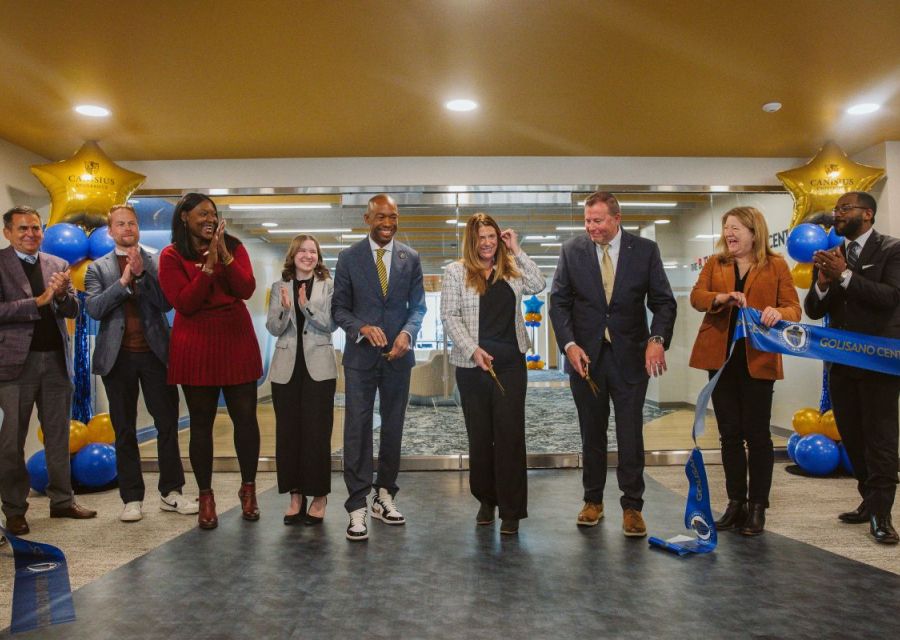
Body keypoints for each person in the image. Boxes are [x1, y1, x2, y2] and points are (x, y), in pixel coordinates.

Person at [549, 191, 676, 537]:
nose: (591, 227)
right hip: (586, 360)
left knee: (630, 433)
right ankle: (593, 501)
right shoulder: (572, 251)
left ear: (617, 218)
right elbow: (558, 302)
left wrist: (656, 339)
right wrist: (569, 345)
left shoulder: (645, 251)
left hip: (630, 358)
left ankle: (633, 506)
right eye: (587, 220)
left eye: (598, 220)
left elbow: (664, 302)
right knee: (592, 433)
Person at [689, 206, 800, 536]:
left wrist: (776, 312)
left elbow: (795, 308)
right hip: (721, 362)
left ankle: (757, 508)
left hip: (758, 360)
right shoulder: (715, 263)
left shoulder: (776, 265)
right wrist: (721, 297)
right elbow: (697, 297)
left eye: (735, 227)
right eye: (726, 227)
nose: (729, 233)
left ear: (754, 231)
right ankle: (735, 503)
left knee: (758, 435)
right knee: (729, 435)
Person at [85, 204, 197, 523]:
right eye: (120, 224)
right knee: (124, 429)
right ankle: (131, 498)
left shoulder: (157, 260)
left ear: (138, 227)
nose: (127, 229)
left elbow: (166, 302)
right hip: (117, 358)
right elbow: (94, 308)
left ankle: (171, 492)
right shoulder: (98, 268)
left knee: (167, 425)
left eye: (132, 223)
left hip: (155, 354)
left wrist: (143, 273)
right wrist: (123, 281)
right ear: (110, 231)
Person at [158, 193, 263, 530]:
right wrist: (207, 268)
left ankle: (248, 489)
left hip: (236, 339)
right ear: (185, 217)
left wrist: (225, 256)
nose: (209, 218)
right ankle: (206, 495)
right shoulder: (171, 255)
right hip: (196, 343)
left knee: (245, 419)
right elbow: (185, 303)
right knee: (200, 423)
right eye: (202, 213)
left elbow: (246, 288)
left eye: (213, 214)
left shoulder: (234, 245)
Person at [440, 213, 545, 535]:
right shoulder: (456, 272)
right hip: (472, 367)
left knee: (511, 436)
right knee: (481, 437)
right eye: (480, 238)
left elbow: (539, 284)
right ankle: (486, 500)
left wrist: (516, 249)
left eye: (491, 236)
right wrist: (473, 349)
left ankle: (511, 510)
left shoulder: (511, 270)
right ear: (471, 242)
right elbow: (449, 316)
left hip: (511, 364)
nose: (486, 243)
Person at [806, 191, 900, 545]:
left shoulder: (892, 250)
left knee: (880, 440)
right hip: (842, 364)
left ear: (868, 214)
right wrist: (823, 283)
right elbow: (814, 310)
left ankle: (882, 515)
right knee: (854, 437)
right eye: (836, 209)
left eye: (845, 209)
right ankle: (869, 499)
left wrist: (844, 276)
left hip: (880, 364)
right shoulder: (833, 256)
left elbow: (890, 298)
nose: (837, 214)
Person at [332, 194, 426, 541]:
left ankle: (384, 495)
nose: (388, 223)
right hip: (360, 359)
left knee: (393, 427)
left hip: (398, 358)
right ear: (367, 218)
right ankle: (357, 504)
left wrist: (407, 333)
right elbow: (339, 308)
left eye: (393, 217)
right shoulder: (349, 258)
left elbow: (418, 307)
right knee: (357, 429)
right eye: (381, 217)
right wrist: (360, 328)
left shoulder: (410, 257)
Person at [0, 206, 96, 535]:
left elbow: (73, 308)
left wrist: (60, 296)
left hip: (55, 360)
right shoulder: (0, 263)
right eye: (23, 229)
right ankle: (14, 509)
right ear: (8, 233)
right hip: (14, 365)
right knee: (11, 440)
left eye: (36, 229)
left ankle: (62, 500)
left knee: (58, 436)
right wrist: (36, 303)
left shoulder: (57, 264)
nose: (31, 234)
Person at [266, 234, 337, 525]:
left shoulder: (328, 286)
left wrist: (306, 305)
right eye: (303, 251)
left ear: (318, 257)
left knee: (317, 434)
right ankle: (296, 496)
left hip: (319, 369)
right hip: (286, 370)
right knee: (289, 435)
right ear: (293, 255)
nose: (308, 255)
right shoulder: (278, 287)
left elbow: (330, 324)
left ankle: (319, 496)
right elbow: (273, 327)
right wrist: (284, 307)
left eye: (313, 251)